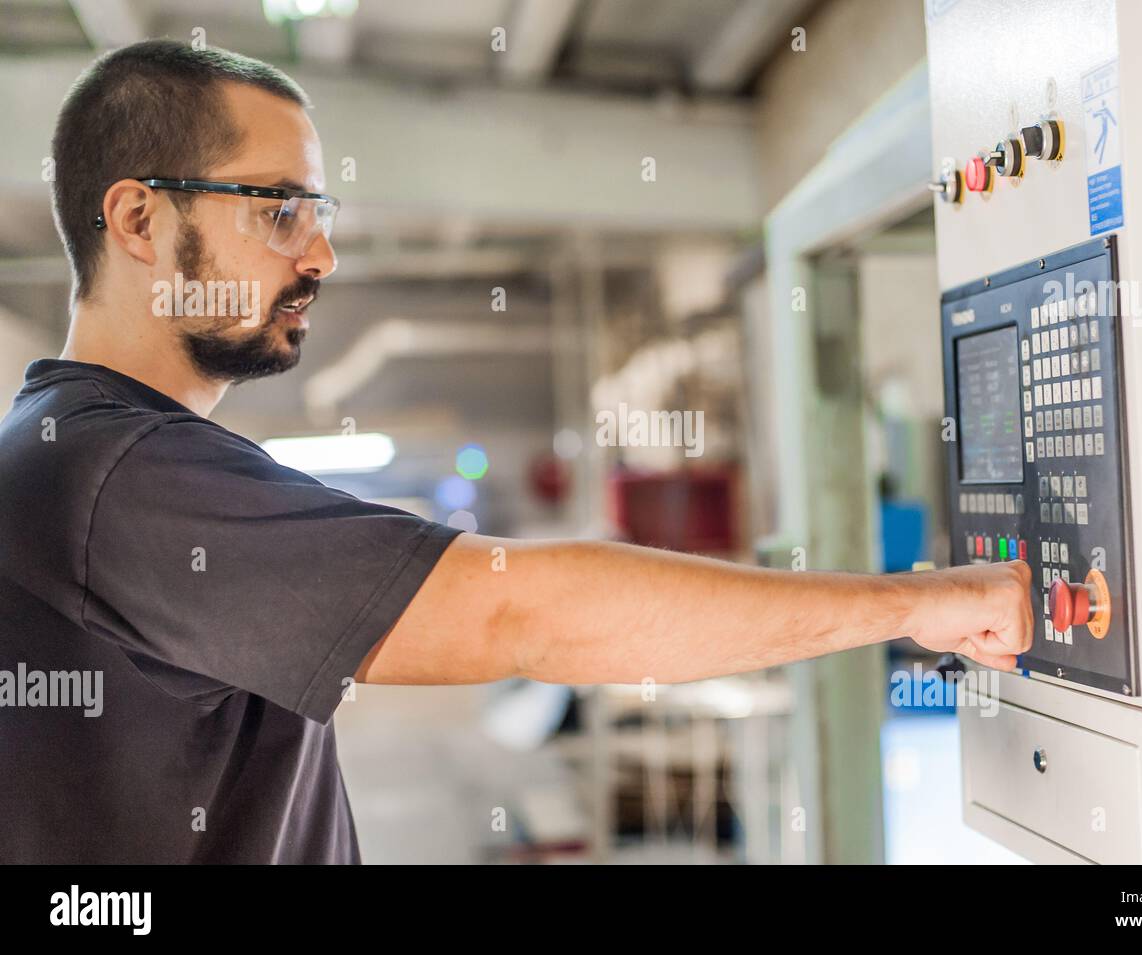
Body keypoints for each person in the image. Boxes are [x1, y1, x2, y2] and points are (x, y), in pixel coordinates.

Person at [0, 40, 1032, 863]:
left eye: (321, 213)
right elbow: (520, 610)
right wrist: (918, 603)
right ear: (138, 217)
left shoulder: (82, 455)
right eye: (278, 209)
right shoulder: (115, 477)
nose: (321, 252)